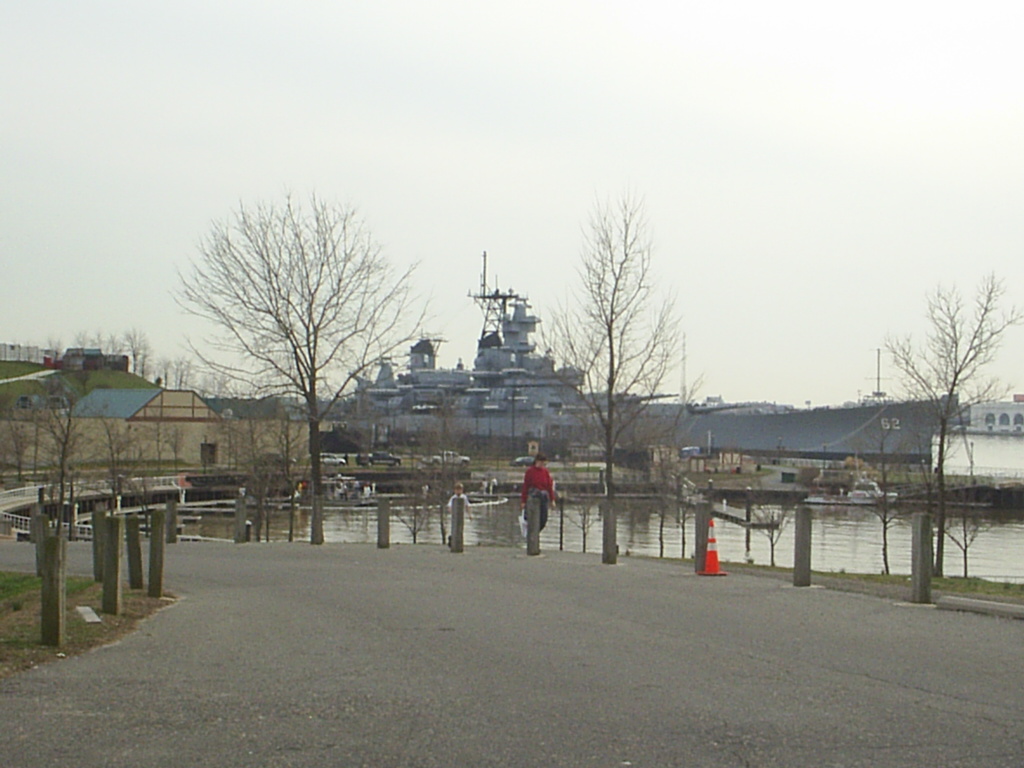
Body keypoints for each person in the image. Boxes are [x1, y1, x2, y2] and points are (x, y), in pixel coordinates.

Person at [519, 453, 556, 539]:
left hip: (543, 497)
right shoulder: (530, 472)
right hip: (533, 497)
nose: (542, 465)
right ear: (537, 461)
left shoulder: (545, 472)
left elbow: (549, 486)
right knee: (531, 517)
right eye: (541, 462)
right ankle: (531, 534)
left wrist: (552, 499)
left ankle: (534, 533)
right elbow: (526, 486)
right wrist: (523, 501)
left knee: (543, 519)